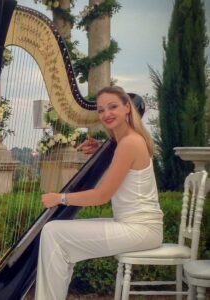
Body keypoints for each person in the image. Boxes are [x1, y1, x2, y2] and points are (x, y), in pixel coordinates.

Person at [35, 86, 163, 300]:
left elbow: (101, 195)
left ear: (127, 108)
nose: (106, 114)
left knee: (53, 233)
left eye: (113, 107)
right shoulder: (124, 141)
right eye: (101, 110)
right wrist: (99, 149)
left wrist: (60, 198)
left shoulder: (129, 143)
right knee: (55, 234)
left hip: (140, 230)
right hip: (135, 225)